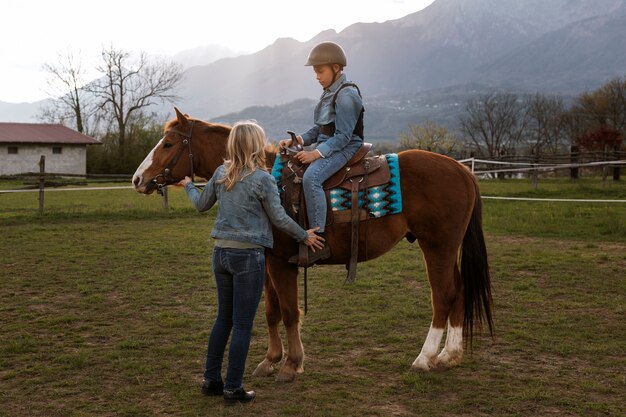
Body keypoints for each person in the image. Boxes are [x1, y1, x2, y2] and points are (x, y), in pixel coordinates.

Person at [180, 121, 324, 405]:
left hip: (220, 254)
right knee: (243, 324)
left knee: (223, 319)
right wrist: (304, 236)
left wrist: (187, 186)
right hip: (248, 257)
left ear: (232, 145)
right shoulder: (262, 179)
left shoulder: (222, 173)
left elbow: (200, 205)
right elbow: (279, 219)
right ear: (257, 146)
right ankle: (233, 387)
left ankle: (211, 380)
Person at [279, 41, 365, 265]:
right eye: (315, 72)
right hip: (331, 143)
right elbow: (320, 129)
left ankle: (320, 241)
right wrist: (298, 140)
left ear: (336, 68)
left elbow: (344, 137)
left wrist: (315, 154)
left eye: (320, 71)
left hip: (346, 146)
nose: (316, 76)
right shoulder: (330, 92)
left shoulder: (346, 97)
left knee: (312, 177)